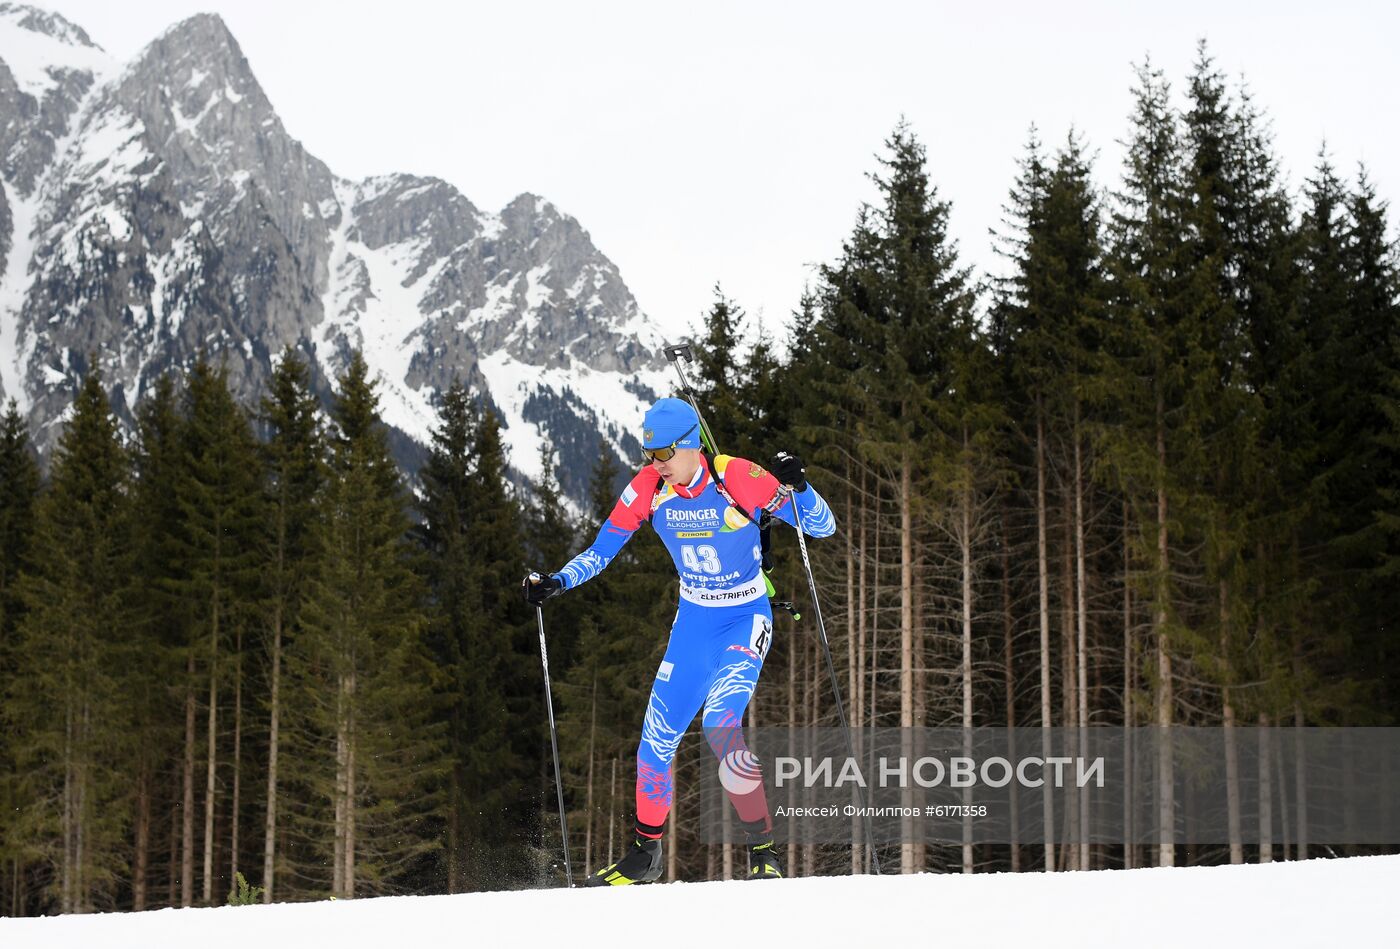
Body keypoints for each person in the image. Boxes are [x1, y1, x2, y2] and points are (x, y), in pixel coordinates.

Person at [522, 396, 836, 885]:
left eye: (664, 453)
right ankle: (645, 856)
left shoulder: (738, 478)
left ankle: (764, 854)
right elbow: (604, 548)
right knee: (654, 743)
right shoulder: (649, 487)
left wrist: (803, 486)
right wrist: (557, 582)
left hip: (743, 617)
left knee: (720, 725)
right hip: (693, 623)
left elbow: (821, 526)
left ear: (690, 445)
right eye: (648, 455)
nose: (656, 464)